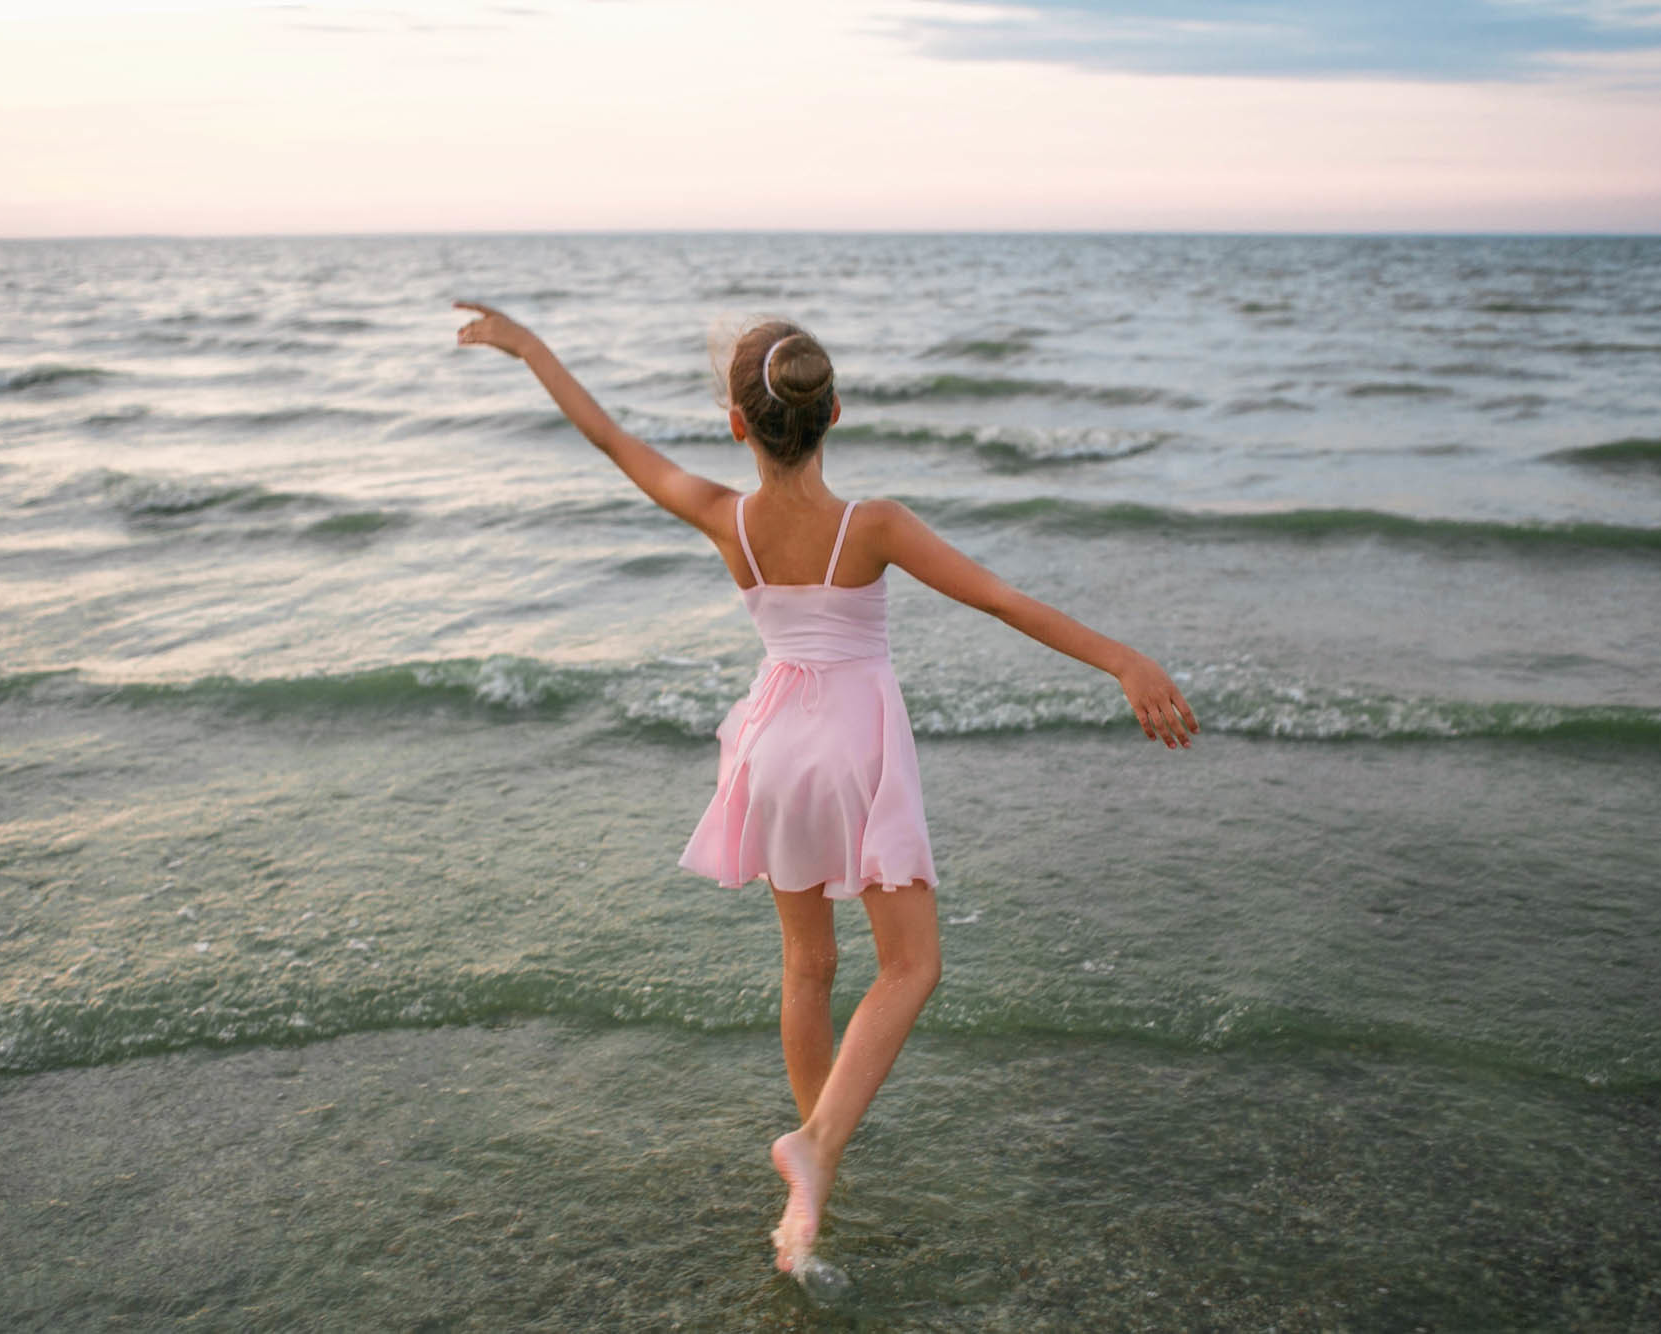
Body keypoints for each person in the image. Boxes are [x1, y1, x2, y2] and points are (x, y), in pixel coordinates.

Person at [453, 302, 1198, 1275]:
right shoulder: (870, 525)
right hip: (852, 746)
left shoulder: (725, 516)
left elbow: (605, 435)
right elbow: (1000, 599)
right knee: (910, 966)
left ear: (736, 425)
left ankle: (811, 1187)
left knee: (807, 967)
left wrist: (527, 347)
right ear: (833, 411)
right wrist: (1122, 661)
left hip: (771, 747)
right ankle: (817, 1145)